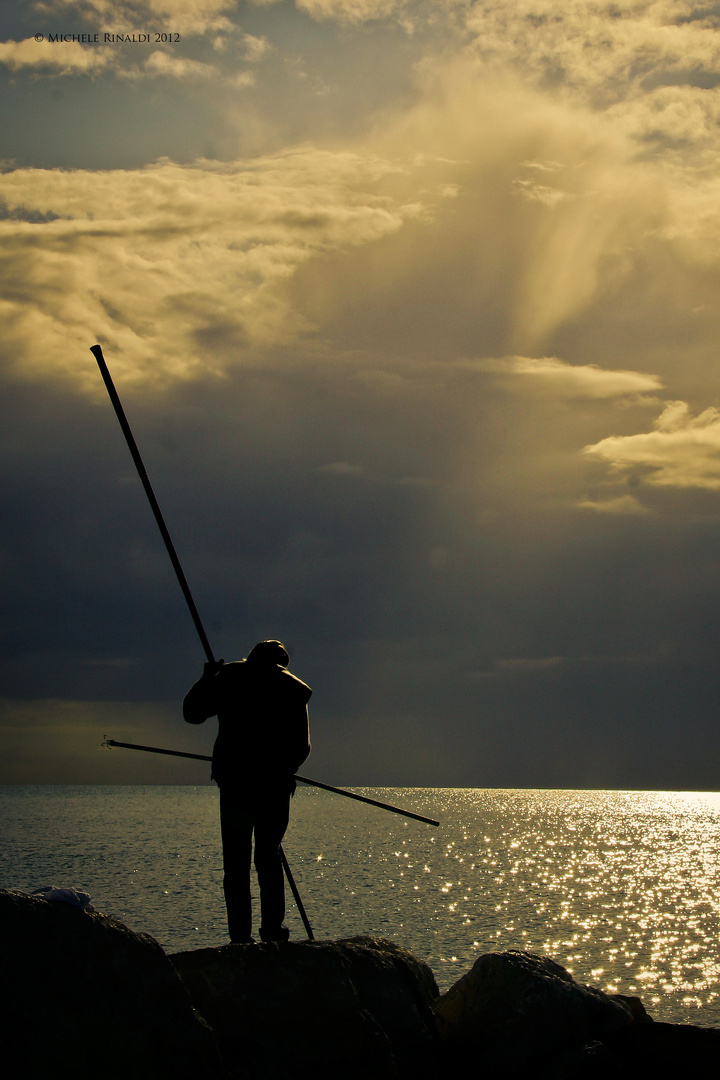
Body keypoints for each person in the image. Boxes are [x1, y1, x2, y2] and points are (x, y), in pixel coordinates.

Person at [183, 639, 311, 943]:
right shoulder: (289, 690)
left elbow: (192, 713)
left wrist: (206, 679)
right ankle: (269, 930)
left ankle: (242, 937)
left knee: (239, 864)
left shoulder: (230, 681)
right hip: (268, 790)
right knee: (266, 858)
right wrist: (282, 771)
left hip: (239, 787)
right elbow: (302, 747)